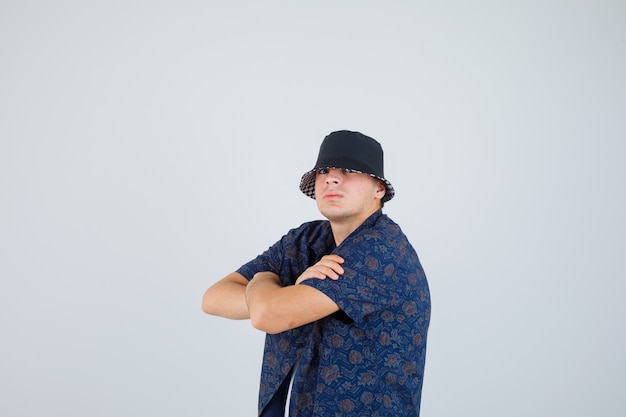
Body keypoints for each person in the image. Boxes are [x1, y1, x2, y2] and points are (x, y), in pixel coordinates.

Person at [202, 130, 431, 416]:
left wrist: (263, 279)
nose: (332, 178)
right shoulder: (305, 239)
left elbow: (266, 316)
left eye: (349, 170)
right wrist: (279, 292)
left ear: (379, 189)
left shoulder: (382, 249)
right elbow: (213, 298)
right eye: (324, 170)